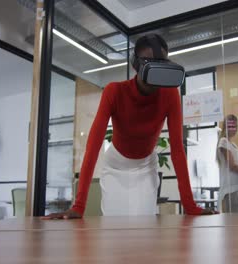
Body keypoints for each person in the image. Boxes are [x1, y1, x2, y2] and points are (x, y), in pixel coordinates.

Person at [43, 34, 216, 219]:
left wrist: (190, 205)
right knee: (114, 226)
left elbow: (177, 150)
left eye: (162, 64)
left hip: (146, 166)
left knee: (145, 226)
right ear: (137, 65)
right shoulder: (114, 91)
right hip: (116, 166)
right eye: (151, 65)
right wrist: (78, 206)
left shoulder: (170, 94)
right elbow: (93, 147)